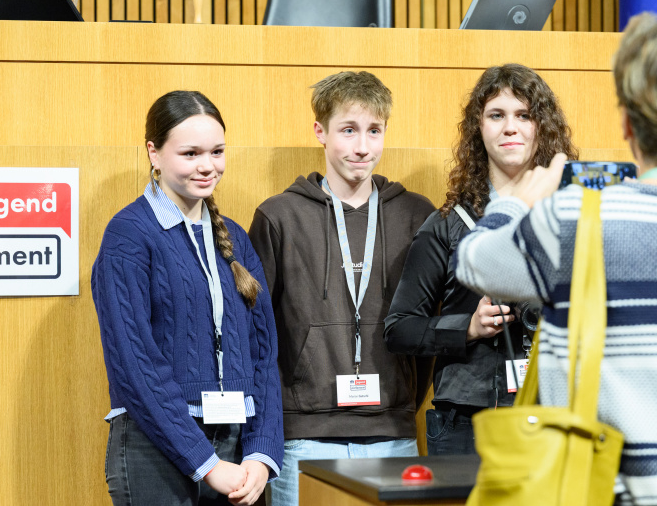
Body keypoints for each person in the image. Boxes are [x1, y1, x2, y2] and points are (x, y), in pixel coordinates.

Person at [455, 13, 657, 504]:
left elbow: (475, 260)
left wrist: (518, 200)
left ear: (627, 121)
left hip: (617, 489)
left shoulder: (574, 218)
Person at [248, 71, 436, 506]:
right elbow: (259, 332)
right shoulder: (279, 216)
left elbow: (426, 331)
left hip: (393, 434)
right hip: (304, 437)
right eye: (348, 130)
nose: (362, 146)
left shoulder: (415, 214)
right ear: (320, 131)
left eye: (374, 131)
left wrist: (402, 398)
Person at [92, 90, 283, 506]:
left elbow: (264, 355)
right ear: (154, 153)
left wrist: (262, 451)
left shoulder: (234, 238)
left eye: (217, 151)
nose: (207, 165)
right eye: (190, 153)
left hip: (239, 450)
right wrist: (206, 463)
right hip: (155, 446)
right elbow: (135, 364)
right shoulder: (128, 236)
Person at [384, 63, 578, 455]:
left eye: (524, 115)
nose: (511, 127)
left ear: (542, 126)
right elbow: (399, 329)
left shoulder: (573, 216)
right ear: (479, 126)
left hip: (558, 414)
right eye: (497, 115)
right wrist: (467, 328)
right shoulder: (446, 225)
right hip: (467, 423)